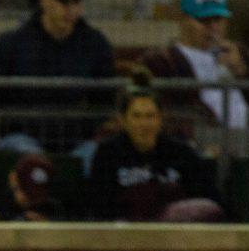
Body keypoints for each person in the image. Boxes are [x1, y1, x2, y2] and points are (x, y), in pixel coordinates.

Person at [0, 0, 116, 160]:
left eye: (76, 1)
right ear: (44, 0)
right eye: (63, 1)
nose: (70, 9)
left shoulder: (94, 44)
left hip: (76, 141)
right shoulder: (12, 44)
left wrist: (84, 128)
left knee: (96, 157)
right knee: (30, 161)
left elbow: (106, 100)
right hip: (22, 137)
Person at [140, 0, 249, 155]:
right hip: (204, 148)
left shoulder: (240, 53)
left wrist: (242, 72)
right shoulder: (161, 61)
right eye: (204, 20)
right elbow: (165, 115)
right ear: (183, 19)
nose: (213, 27)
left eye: (218, 19)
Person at [89, 73, 224, 222]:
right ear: (123, 120)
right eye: (137, 116)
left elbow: (209, 198)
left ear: (160, 119)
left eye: (150, 116)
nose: (144, 124)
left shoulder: (181, 153)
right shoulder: (108, 153)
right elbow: (100, 206)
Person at [0, 153, 67, 221]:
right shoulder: (3, 206)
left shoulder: (54, 209)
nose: (31, 198)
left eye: (38, 192)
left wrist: (46, 226)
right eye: (24, 189)